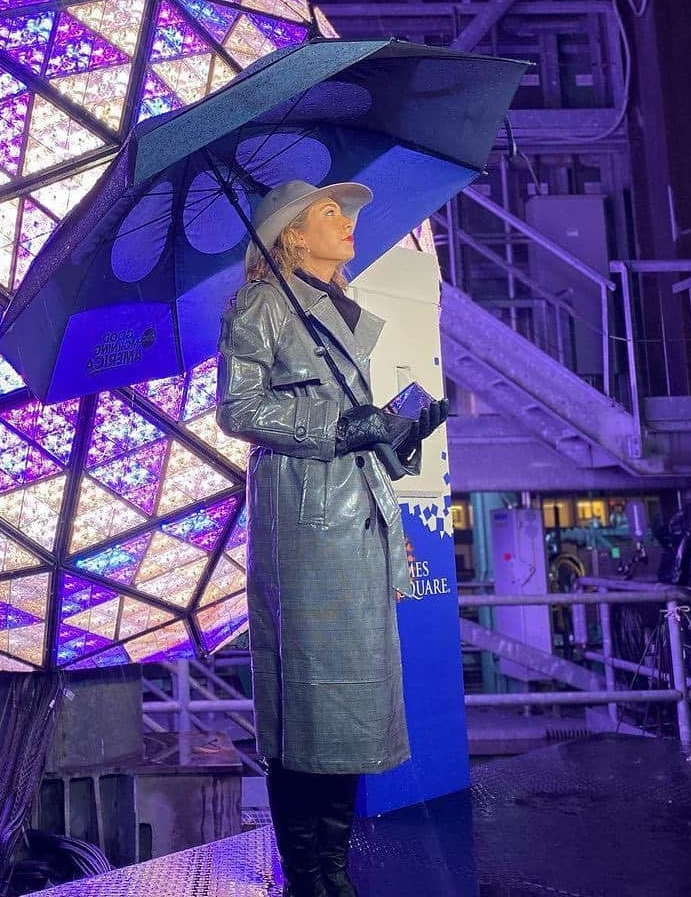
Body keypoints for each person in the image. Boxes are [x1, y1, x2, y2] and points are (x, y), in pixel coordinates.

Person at [215, 179, 448, 897]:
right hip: (308, 517)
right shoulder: (260, 305)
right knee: (310, 703)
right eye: (329, 213)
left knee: (349, 703)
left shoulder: (334, 309)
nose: (347, 224)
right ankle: (310, 873)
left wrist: (396, 433)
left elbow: (353, 419)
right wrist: (342, 428)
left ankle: (333, 868)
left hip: (358, 510)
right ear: (290, 233)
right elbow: (236, 407)